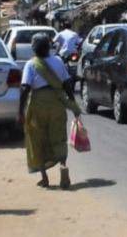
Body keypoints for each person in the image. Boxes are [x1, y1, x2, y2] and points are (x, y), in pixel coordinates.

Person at [18, 33, 81, 189]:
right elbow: (67, 84)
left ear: (33, 48)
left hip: (38, 105)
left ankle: (44, 178)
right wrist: (72, 103)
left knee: (38, 139)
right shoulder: (58, 61)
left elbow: (25, 88)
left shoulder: (31, 64)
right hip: (57, 104)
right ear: (48, 47)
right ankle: (63, 168)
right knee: (59, 137)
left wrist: (20, 109)